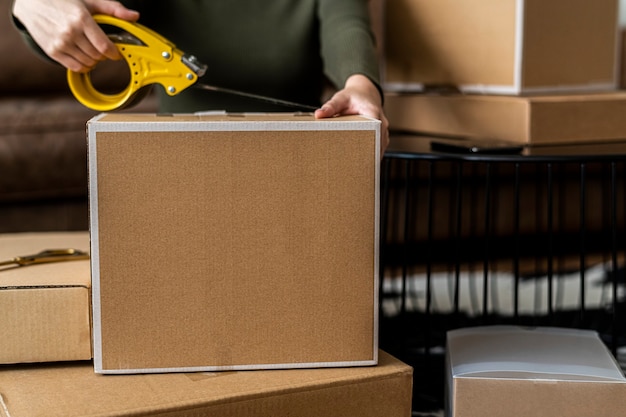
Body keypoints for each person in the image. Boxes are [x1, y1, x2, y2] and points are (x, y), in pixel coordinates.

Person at [12, 0, 389, 154]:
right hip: (184, 160)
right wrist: (33, 8)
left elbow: (346, 21)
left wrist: (361, 84)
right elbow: (77, 13)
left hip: (301, 157)